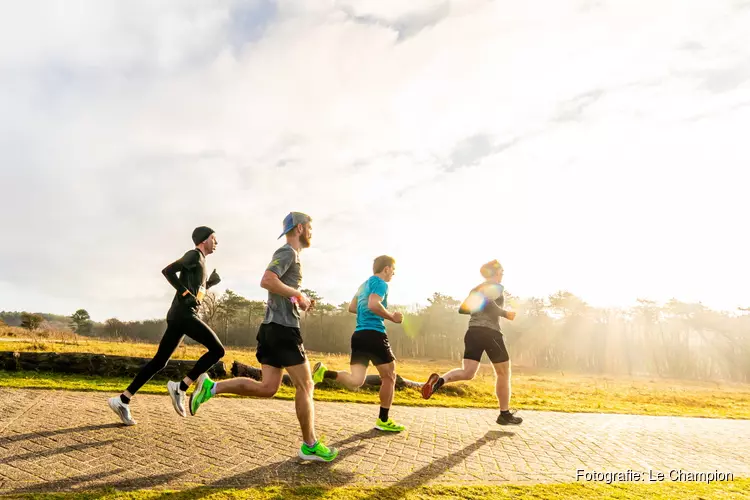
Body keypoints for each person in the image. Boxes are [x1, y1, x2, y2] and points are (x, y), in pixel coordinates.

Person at [187, 212, 338, 462]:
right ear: (299, 228)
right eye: (310, 227)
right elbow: (267, 280)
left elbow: (278, 288)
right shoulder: (288, 252)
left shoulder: (292, 255)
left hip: (271, 328)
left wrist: (296, 299)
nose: (312, 232)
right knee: (306, 385)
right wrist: (298, 295)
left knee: (268, 388)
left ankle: (212, 387)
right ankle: (310, 445)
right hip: (283, 330)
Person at [108, 226, 225, 425]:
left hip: (179, 316)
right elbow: (168, 271)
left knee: (159, 361)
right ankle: (181, 387)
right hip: (184, 315)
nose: (217, 242)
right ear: (204, 240)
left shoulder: (201, 262)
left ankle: (122, 400)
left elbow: (195, 293)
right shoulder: (194, 255)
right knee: (217, 350)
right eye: (214, 238)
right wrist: (184, 294)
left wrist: (209, 284)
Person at [421, 259, 522, 425]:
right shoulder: (495, 286)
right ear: (496, 273)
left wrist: (479, 304)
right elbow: (488, 302)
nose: (502, 275)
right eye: (501, 272)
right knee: (504, 373)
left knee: (468, 372)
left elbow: (463, 308)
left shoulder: (476, 289)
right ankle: (504, 414)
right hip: (490, 333)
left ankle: (440, 381)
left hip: (472, 332)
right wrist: (504, 313)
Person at [315, 255, 405, 432]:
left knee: (356, 380)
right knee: (389, 377)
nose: (393, 273)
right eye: (393, 270)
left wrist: (369, 310)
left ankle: (326, 373)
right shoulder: (381, 283)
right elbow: (373, 304)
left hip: (359, 335)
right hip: (375, 335)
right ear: (386, 269)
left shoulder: (363, 285)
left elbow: (352, 307)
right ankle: (384, 420)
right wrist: (391, 317)